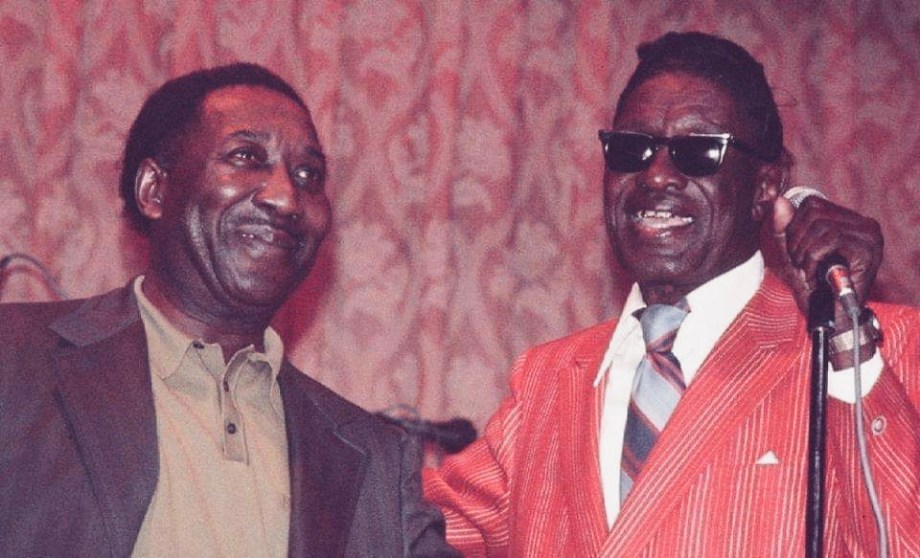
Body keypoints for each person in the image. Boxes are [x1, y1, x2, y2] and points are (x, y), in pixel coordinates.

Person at [423, 32, 920, 555]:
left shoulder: (879, 348)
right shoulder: (546, 381)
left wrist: (845, 342)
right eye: (631, 149)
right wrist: (354, 439)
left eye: (698, 151)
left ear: (765, 186)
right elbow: (412, 530)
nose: (656, 176)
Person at [0, 63, 456, 557]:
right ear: (154, 190)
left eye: (308, 174)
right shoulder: (15, 359)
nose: (286, 197)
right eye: (246, 157)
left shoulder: (377, 459)